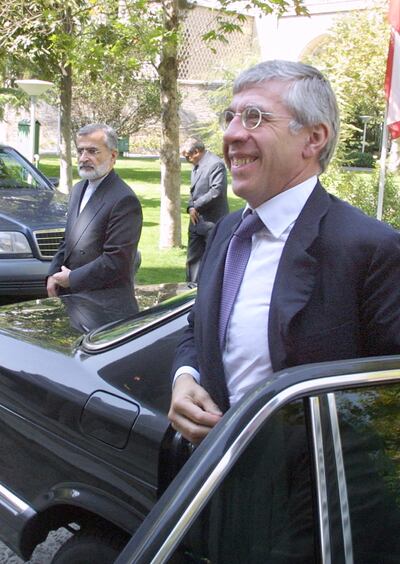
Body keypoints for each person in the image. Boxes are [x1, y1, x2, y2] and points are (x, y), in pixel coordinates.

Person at [169, 59, 400, 445]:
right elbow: (197, 328)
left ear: (313, 138)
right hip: (214, 472)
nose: (231, 134)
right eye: (231, 116)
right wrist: (185, 378)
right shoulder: (228, 230)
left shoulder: (370, 249)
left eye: (255, 117)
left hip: (312, 493)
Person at [47, 123, 142, 300]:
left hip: (105, 301)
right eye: (80, 151)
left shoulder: (124, 200)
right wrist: (53, 274)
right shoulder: (78, 189)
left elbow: (117, 261)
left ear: (113, 156)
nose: (84, 158)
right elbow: (68, 239)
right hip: (74, 296)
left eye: (92, 151)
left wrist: (72, 278)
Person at [181, 138, 229, 284]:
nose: (187, 159)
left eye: (188, 156)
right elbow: (194, 191)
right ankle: (191, 291)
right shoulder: (196, 165)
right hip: (196, 222)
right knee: (193, 261)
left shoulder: (216, 164)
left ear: (196, 152)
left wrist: (196, 206)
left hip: (211, 222)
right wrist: (190, 207)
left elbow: (216, 191)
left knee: (212, 261)